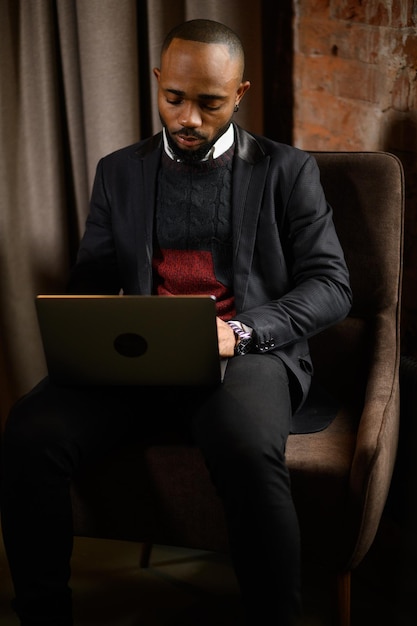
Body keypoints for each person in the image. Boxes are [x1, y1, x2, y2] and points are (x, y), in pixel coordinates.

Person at [1, 18, 352, 626]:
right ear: (159, 82)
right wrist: (90, 330)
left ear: (239, 94)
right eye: (175, 98)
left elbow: (332, 286)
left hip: (246, 357)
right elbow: (92, 279)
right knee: (30, 431)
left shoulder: (288, 171)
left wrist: (238, 332)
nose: (188, 117)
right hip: (138, 361)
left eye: (210, 103)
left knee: (244, 449)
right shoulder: (118, 171)